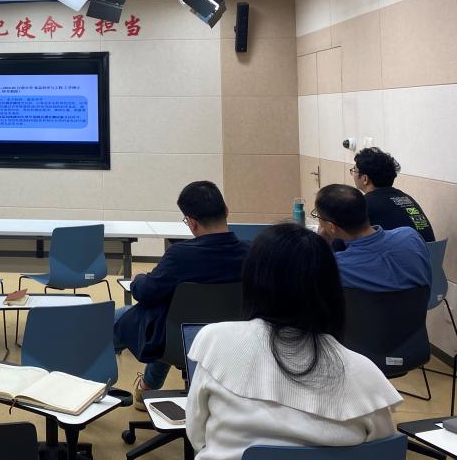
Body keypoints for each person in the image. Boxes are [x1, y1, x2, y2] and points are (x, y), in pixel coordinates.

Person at [186, 223, 401, 460]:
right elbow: (383, 451)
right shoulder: (364, 374)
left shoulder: (216, 341)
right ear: (330, 288)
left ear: (253, 280)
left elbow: (196, 435)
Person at [113, 181, 250, 409]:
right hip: (231, 342)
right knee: (172, 315)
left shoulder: (180, 256)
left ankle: (91, 392)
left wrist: (138, 279)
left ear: (192, 222)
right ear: (226, 210)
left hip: (179, 340)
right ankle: (147, 388)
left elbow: (146, 293)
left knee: (109, 322)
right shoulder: (252, 253)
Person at [313, 183, 430, 291]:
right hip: (417, 307)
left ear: (331, 227)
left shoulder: (336, 266)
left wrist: (320, 244)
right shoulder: (411, 237)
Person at [352, 147, 434, 242]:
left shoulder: (363, 204)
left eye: (354, 170)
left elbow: (345, 239)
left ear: (365, 179)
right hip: (432, 251)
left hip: (407, 251)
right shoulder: (407, 198)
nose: (352, 174)